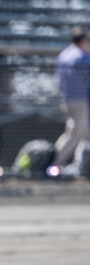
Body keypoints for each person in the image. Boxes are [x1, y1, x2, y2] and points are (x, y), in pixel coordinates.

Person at [51, 26, 90, 171]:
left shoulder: (64, 54)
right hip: (79, 100)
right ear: (83, 40)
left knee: (79, 132)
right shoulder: (81, 56)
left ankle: (75, 165)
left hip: (66, 100)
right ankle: (55, 163)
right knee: (78, 133)